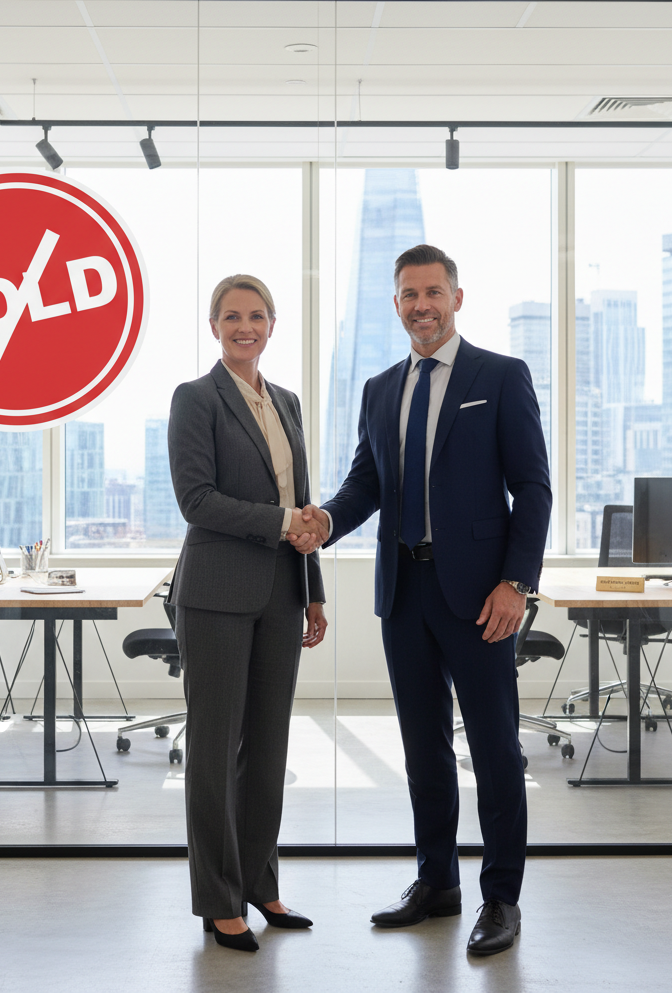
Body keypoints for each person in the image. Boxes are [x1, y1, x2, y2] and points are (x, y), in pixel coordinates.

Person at [297, 244, 551, 956]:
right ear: (398, 305)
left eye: (434, 292)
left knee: (496, 752)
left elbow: (532, 488)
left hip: (480, 598)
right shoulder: (381, 388)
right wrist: (323, 523)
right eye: (409, 294)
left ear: (457, 299)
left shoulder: (499, 377)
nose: (422, 305)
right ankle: (436, 881)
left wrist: (516, 583)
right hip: (404, 593)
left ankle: (501, 898)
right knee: (423, 749)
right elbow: (365, 486)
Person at [167, 274, 330, 953]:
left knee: (267, 750)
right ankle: (218, 898)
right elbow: (196, 500)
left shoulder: (286, 401)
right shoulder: (195, 399)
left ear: (272, 325)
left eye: (257, 317)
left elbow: (303, 502)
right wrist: (286, 521)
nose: (245, 327)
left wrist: (313, 587)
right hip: (214, 592)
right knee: (213, 751)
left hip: (281, 592)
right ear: (214, 326)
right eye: (232, 317)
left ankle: (261, 883)